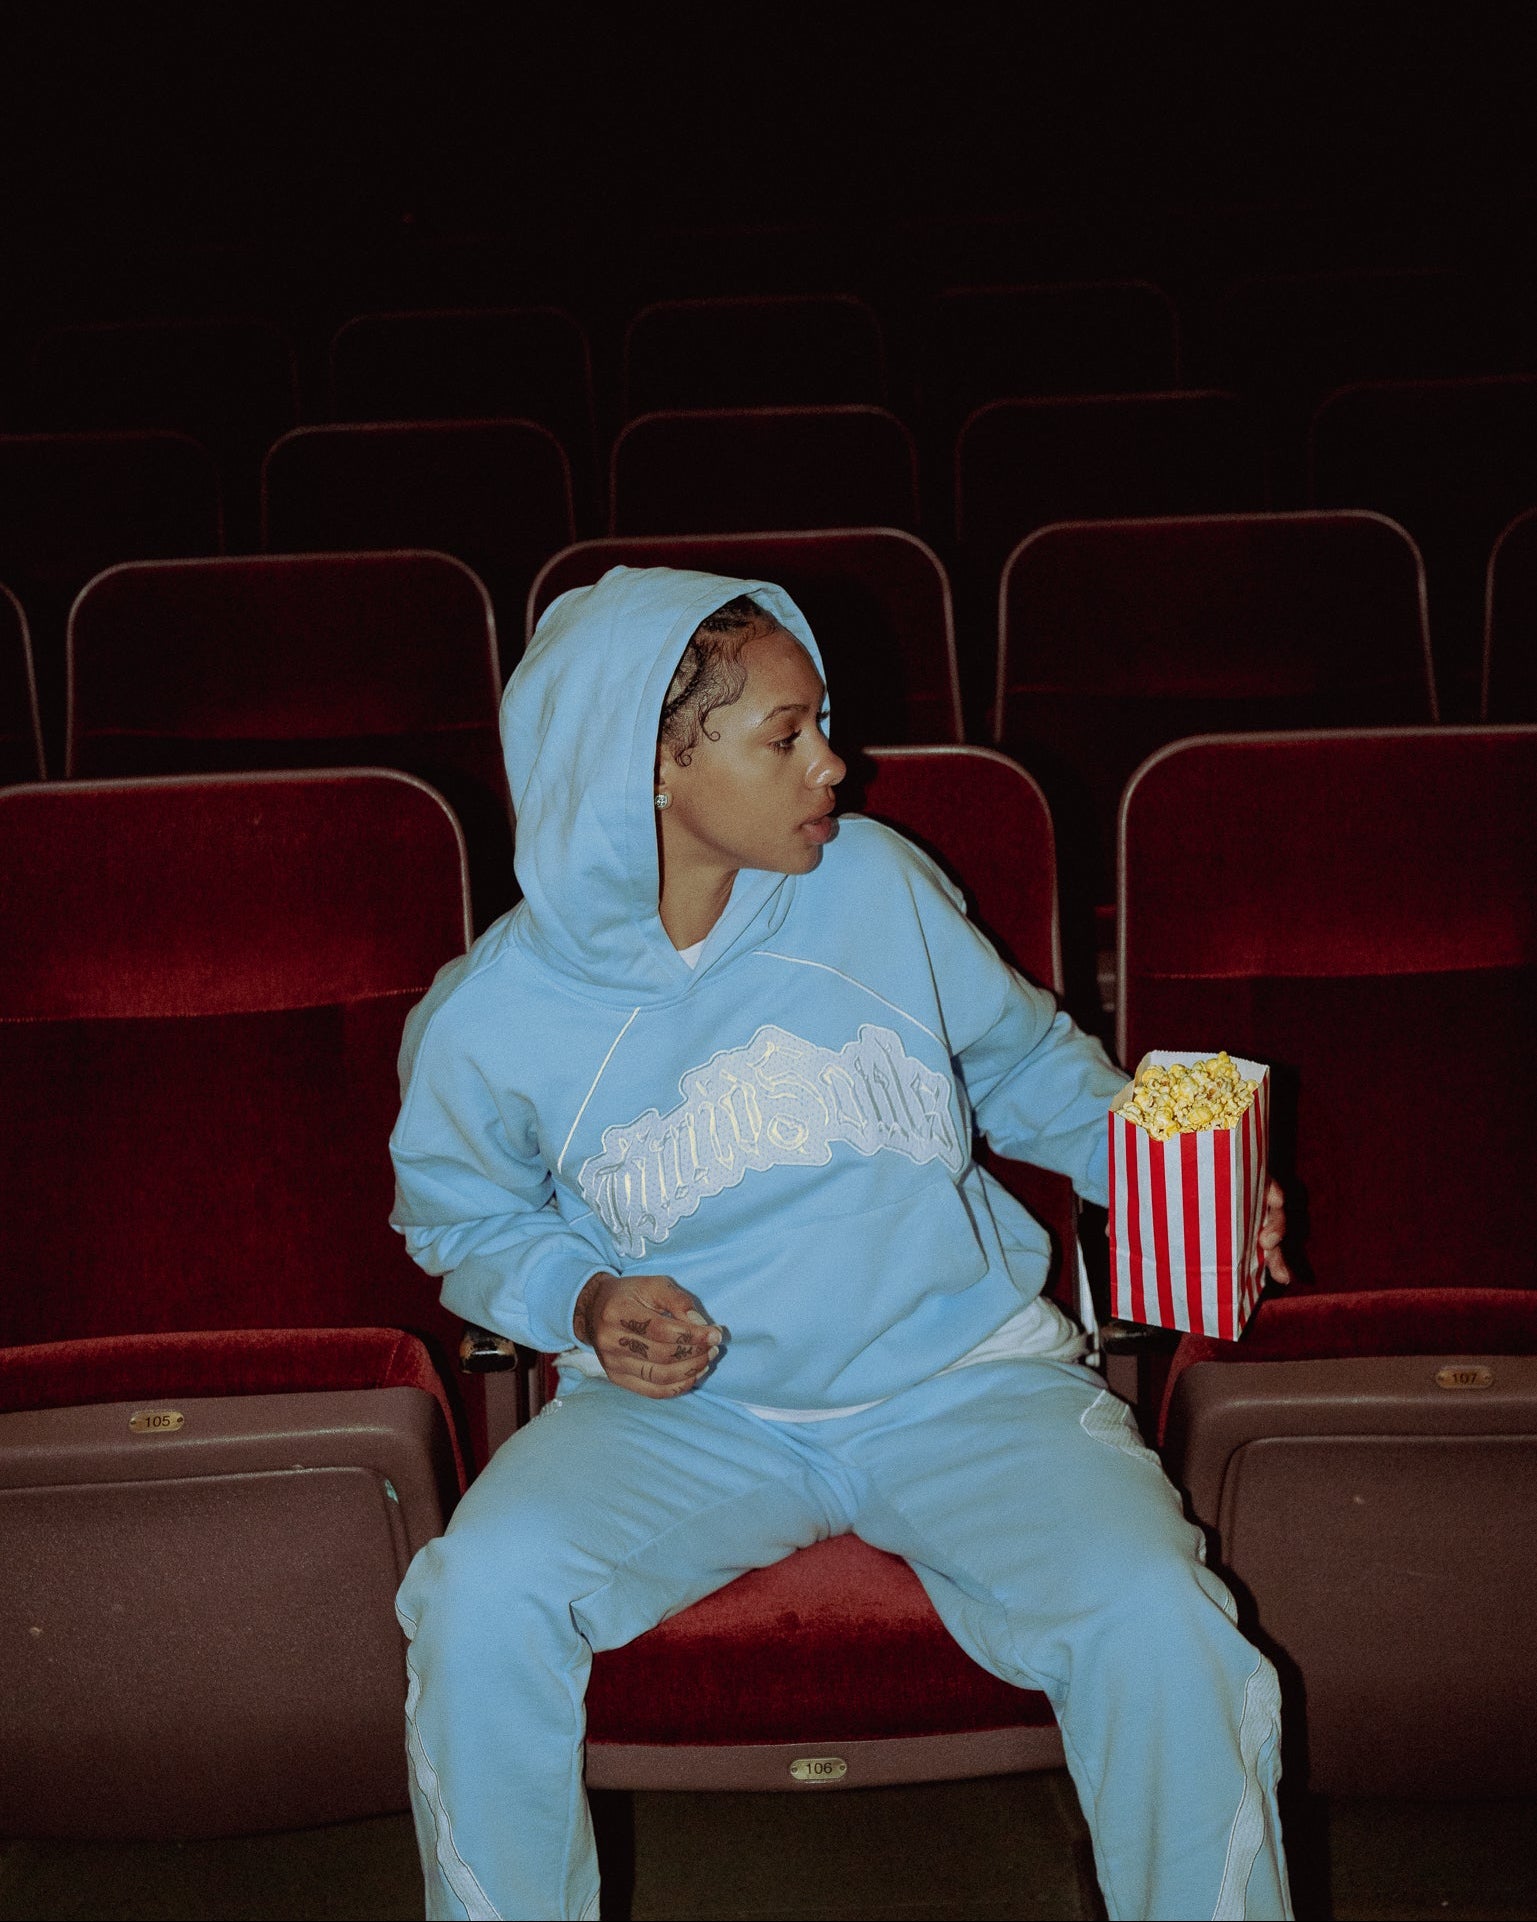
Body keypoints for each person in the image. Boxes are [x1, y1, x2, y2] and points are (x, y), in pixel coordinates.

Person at [389, 566, 1294, 1922]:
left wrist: (1187, 1172)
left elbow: (1029, 1068)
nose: (835, 762)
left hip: (961, 1379)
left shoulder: (873, 881)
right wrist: (579, 1296)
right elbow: (456, 1215)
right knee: (473, 1600)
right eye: (786, 734)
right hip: (689, 1417)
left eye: (824, 723)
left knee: (1159, 1618)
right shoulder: (489, 1014)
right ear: (652, 766)